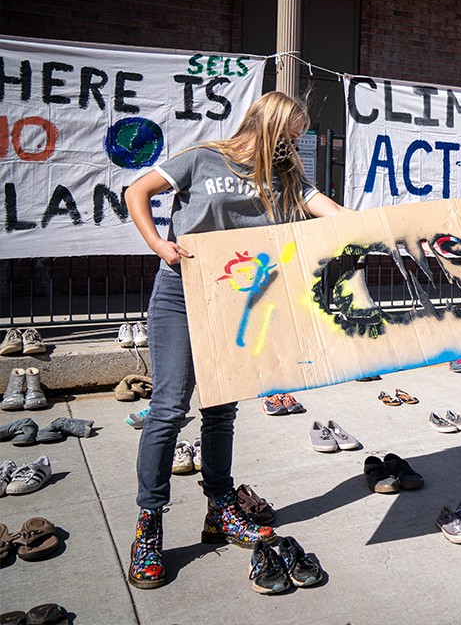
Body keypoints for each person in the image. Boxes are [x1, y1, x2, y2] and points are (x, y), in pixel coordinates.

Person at [123, 91, 347, 588]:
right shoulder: (203, 157)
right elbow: (136, 192)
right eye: (289, 135)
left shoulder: (286, 175)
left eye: (298, 138)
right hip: (182, 295)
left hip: (239, 302)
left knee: (221, 408)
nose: (294, 144)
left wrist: (369, 225)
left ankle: (220, 510)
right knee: (168, 408)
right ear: (267, 127)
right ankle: (149, 527)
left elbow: (323, 207)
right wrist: (160, 245)